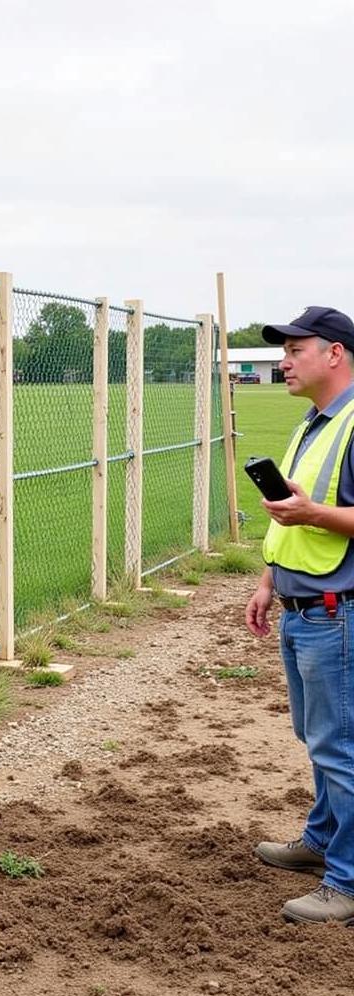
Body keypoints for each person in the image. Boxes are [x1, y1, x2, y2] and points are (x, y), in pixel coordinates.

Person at [245, 305, 354, 924]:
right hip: (302, 605)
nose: (283, 361)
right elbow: (293, 510)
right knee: (318, 742)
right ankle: (322, 842)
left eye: (295, 349)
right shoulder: (315, 422)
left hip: (338, 613)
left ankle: (347, 880)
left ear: (334, 353)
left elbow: (314, 513)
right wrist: (268, 581)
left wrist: (314, 516)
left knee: (341, 748)